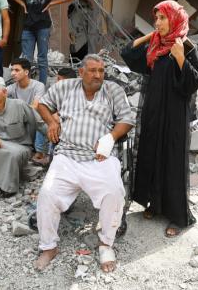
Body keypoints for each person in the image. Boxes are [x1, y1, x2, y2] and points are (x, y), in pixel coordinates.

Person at [34, 55, 134, 273]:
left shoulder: (112, 90)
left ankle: (106, 243)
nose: (98, 75)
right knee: (47, 194)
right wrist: (51, 121)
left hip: (100, 157)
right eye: (92, 70)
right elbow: (41, 105)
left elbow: (127, 119)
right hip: (67, 155)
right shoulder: (66, 87)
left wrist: (110, 138)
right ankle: (49, 247)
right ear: (81, 72)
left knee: (114, 192)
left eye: (101, 70)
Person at [121, 0, 198, 237]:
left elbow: (193, 83)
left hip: (175, 116)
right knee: (151, 154)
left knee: (172, 160)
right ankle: (154, 205)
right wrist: (149, 36)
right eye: (156, 19)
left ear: (175, 18)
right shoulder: (155, 45)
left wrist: (179, 58)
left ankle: (178, 216)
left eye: (163, 18)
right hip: (154, 111)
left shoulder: (187, 47)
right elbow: (127, 53)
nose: (158, 23)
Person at [9, 0, 73, 85]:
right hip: (27, 26)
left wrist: (51, 3)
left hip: (43, 26)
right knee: (26, 59)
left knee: (42, 58)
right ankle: (27, 85)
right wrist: (22, 4)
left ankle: (41, 86)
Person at [6, 58, 49, 165]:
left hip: (34, 122)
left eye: (16, 70)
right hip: (19, 122)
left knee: (39, 117)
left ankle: (40, 152)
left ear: (26, 72)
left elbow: (35, 106)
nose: (12, 73)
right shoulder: (12, 87)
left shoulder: (38, 86)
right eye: (12, 70)